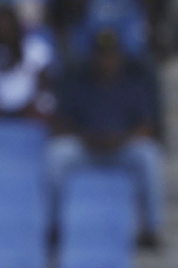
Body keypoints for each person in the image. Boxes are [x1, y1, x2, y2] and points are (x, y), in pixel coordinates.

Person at [47, 30, 164, 247]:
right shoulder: (79, 82)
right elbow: (61, 123)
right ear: (93, 56)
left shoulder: (133, 84)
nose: (105, 60)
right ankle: (54, 225)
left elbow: (147, 126)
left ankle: (150, 229)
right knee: (56, 154)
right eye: (101, 54)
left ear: (119, 56)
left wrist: (121, 139)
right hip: (87, 147)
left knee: (149, 154)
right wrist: (86, 136)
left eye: (110, 55)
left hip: (122, 148)